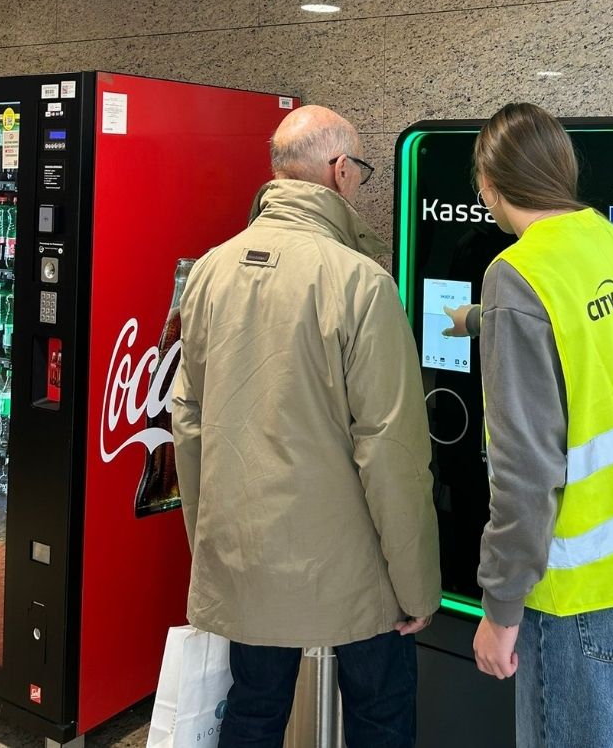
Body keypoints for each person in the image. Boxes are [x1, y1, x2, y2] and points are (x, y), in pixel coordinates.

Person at [447, 103, 613, 748]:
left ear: (487, 186)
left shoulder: (516, 274)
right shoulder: (606, 236)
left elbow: (525, 471)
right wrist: (486, 319)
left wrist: (500, 609)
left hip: (591, 594)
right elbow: (583, 332)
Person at [171, 105, 441, 748]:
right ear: (340, 170)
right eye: (361, 171)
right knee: (380, 709)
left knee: (254, 709)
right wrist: (418, 584)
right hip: (354, 567)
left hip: (243, 550)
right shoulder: (362, 281)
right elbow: (390, 450)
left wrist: (210, 548)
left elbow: (189, 421)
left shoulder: (210, 269)